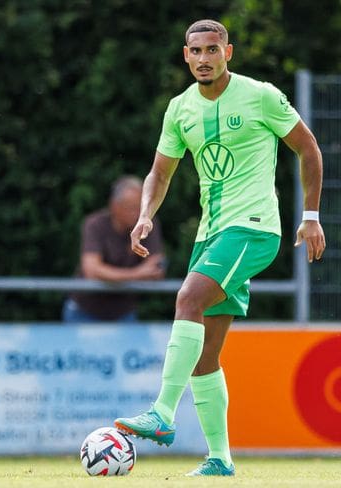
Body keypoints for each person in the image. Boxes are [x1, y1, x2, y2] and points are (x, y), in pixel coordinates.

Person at [114, 19, 325, 476]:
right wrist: (146, 213)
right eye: (197, 51)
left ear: (228, 52)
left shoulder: (261, 95)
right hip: (211, 234)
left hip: (253, 229)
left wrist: (310, 217)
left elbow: (308, 148)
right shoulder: (179, 109)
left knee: (187, 298)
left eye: (213, 49)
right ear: (186, 55)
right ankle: (220, 460)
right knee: (204, 354)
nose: (205, 58)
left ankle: (162, 414)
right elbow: (160, 172)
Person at [62, 175, 166, 322]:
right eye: (132, 208)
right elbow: (92, 270)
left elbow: (156, 269)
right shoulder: (95, 224)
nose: (138, 214)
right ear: (114, 206)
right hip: (85, 311)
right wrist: (138, 273)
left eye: (142, 208)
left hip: (124, 312)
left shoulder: (147, 224)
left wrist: (111, 274)